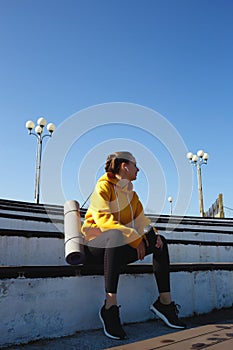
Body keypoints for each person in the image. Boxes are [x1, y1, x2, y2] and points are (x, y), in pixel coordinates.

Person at [81, 151, 186, 340]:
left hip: (115, 250)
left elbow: (142, 221)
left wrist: (152, 236)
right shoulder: (102, 187)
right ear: (124, 166)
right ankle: (110, 307)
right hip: (94, 247)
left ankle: (164, 303)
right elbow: (104, 221)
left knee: (159, 241)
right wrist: (136, 240)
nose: (138, 169)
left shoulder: (133, 195)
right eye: (135, 165)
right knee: (113, 234)